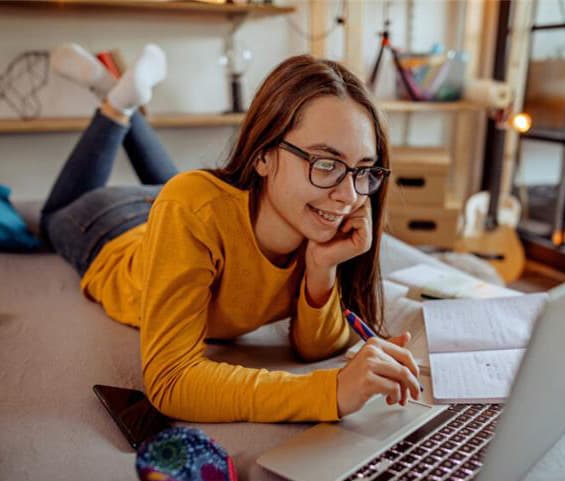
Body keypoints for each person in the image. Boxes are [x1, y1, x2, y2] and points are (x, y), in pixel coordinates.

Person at [43, 43, 422, 424]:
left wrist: (321, 266)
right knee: (53, 215)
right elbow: (171, 381)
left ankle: (124, 96)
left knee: (182, 190)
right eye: (326, 163)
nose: (349, 196)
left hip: (179, 206)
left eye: (364, 170)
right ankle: (114, 102)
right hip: (114, 228)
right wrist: (330, 392)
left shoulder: (317, 221)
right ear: (262, 155)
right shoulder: (191, 208)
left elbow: (315, 348)